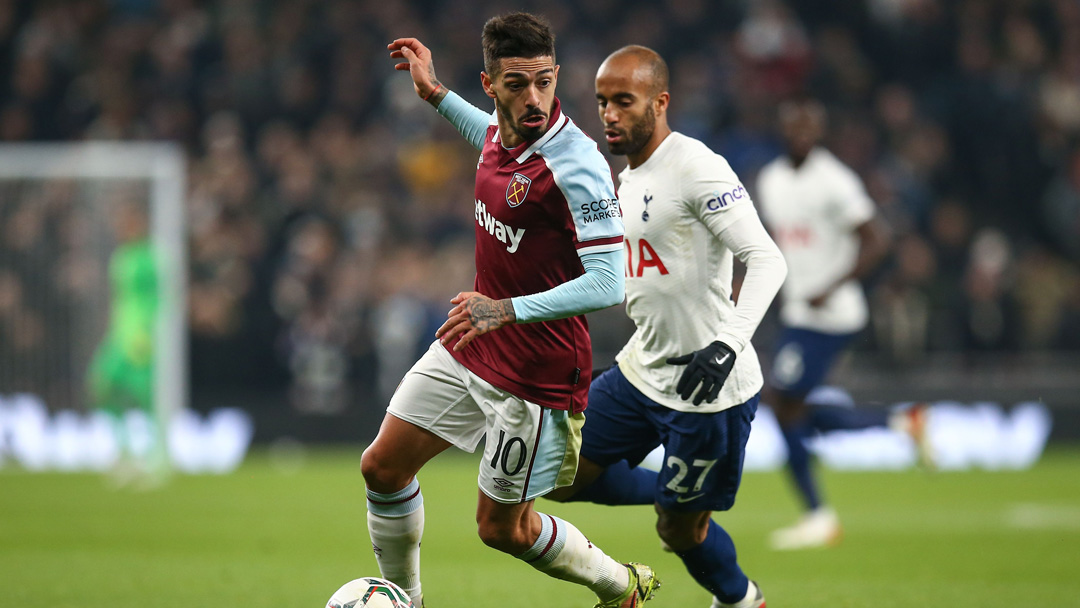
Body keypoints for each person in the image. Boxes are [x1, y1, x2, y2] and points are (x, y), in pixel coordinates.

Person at [365, 14, 659, 608]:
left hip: (537, 373)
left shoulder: (577, 163)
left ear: (557, 77)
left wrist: (507, 309)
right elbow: (489, 137)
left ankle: (621, 586)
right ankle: (407, 601)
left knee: (504, 530)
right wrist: (436, 94)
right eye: (518, 84)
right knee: (382, 469)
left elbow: (609, 282)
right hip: (474, 341)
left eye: (545, 82)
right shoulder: (505, 133)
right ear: (491, 84)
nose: (535, 99)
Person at [547, 46, 787, 608]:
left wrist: (729, 344)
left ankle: (741, 599)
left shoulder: (696, 167)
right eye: (603, 102)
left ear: (660, 102)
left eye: (623, 102)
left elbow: (767, 258)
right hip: (643, 369)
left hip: (710, 390)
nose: (609, 114)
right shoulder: (626, 181)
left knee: (677, 532)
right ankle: (677, 490)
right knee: (558, 475)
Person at [755, 99, 923, 550]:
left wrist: (831, 284)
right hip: (797, 311)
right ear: (783, 128)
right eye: (795, 126)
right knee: (790, 408)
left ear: (820, 131)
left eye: (810, 128)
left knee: (782, 403)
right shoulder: (771, 180)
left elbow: (878, 240)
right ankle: (898, 422)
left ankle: (818, 517)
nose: (801, 135)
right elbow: (776, 241)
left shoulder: (835, 181)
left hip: (831, 316)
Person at [87, 200, 165, 487]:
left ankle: (155, 457)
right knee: (102, 385)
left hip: (141, 338)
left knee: (146, 398)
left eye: (128, 221)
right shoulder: (121, 256)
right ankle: (124, 452)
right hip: (119, 335)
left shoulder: (151, 257)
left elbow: (160, 298)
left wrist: (151, 331)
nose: (121, 227)